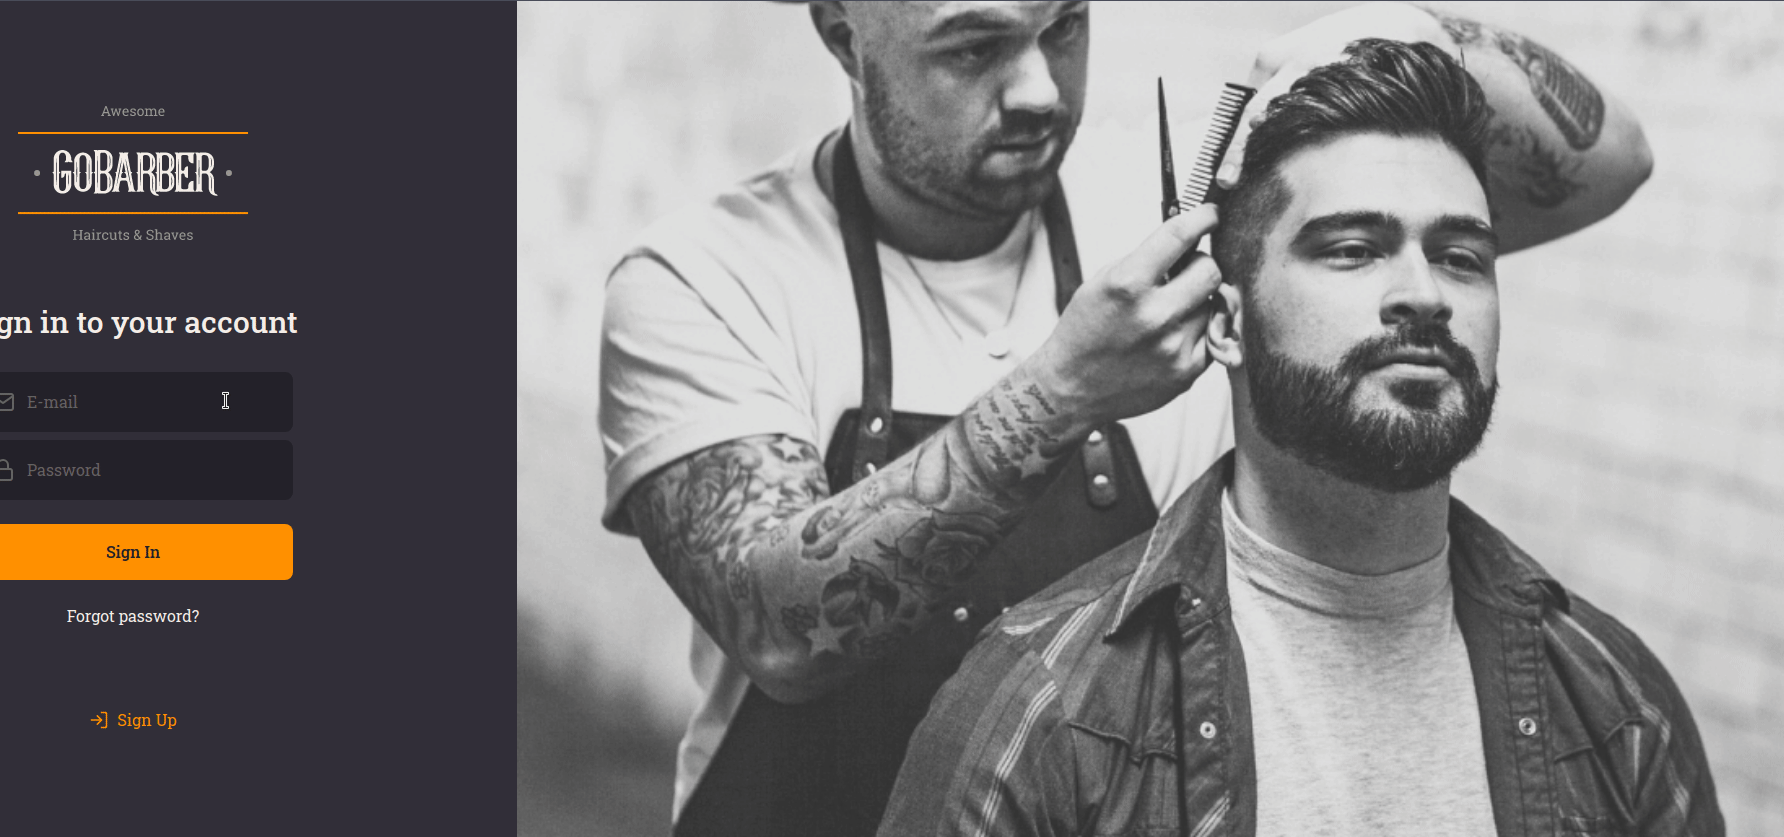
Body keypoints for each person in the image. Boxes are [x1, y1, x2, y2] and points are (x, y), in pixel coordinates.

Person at [598, 3, 1654, 835]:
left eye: (1064, 27)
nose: (1035, 90)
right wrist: (1065, 389)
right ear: (842, 34)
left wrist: (1421, 31)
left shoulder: (1175, 206)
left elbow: (1612, 163)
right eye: (972, 48)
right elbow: (779, 628)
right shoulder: (707, 279)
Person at [876, 38, 1719, 836]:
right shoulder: (1047, 712)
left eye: (1461, 257)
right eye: (1354, 249)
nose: (1425, 294)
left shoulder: (1618, 709)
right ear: (1226, 324)